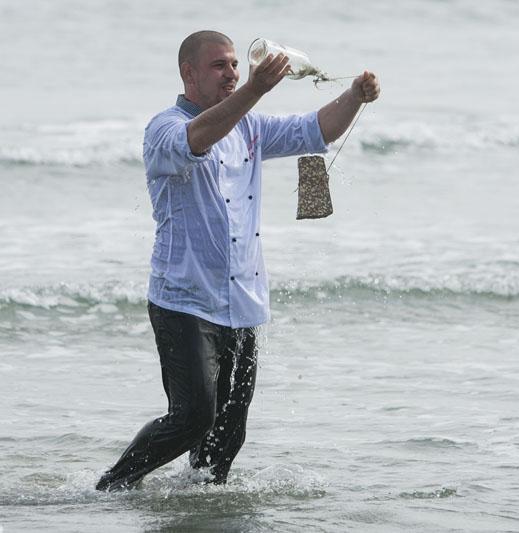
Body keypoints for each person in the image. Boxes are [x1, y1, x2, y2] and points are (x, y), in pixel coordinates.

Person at [96, 30, 380, 491]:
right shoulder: (164, 128)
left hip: (243, 300)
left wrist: (354, 95)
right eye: (219, 66)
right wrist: (255, 89)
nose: (231, 73)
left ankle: (201, 502)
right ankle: (113, 486)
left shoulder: (250, 126)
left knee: (229, 432)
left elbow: (317, 128)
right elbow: (199, 136)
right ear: (188, 73)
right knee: (192, 418)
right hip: (183, 300)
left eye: (234, 64)